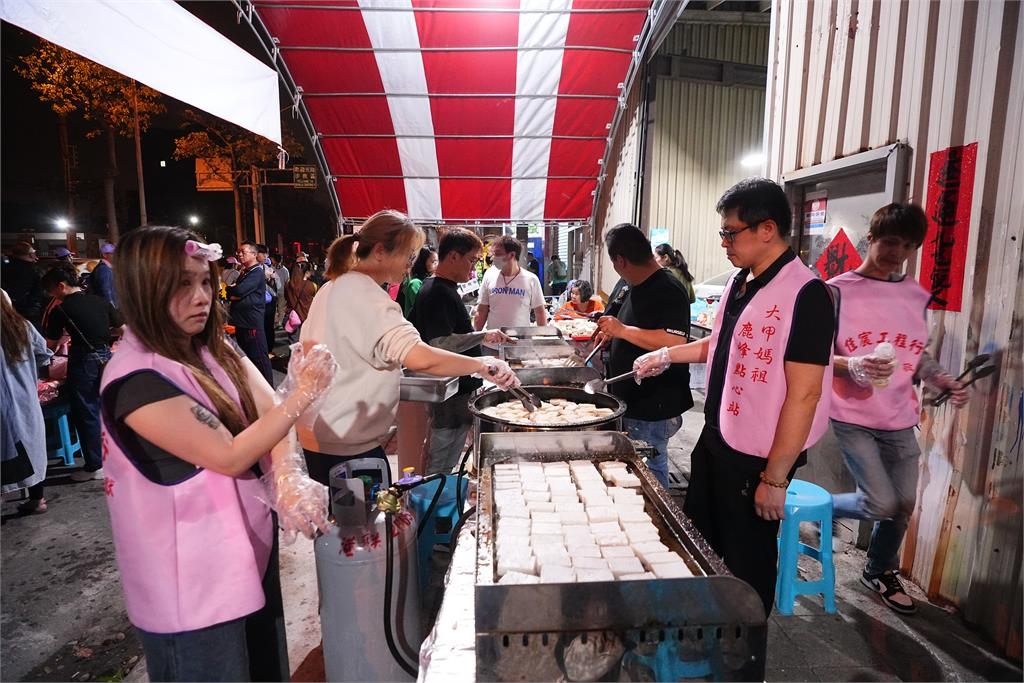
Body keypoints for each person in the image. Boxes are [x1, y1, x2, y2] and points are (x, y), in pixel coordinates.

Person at [98, 225, 337, 681]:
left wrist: (287, 477)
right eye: (181, 285)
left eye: (205, 281)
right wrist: (303, 394)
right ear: (143, 290)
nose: (201, 296)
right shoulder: (137, 378)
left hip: (243, 560)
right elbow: (229, 454)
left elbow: (269, 409)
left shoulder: (210, 345)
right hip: (190, 588)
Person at [633, 177, 836, 615]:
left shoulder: (807, 294)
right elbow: (719, 344)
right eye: (722, 232)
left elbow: (805, 394)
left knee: (747, 559)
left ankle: (744, 647)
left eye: (731, 232)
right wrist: (666, 354)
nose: (724, 241)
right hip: (720, 433)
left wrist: (775, 479)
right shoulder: (741, 282)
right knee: (705, 538)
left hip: (758, 455)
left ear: (767, 229)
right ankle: (709, 628)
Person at [298, 209, 519, 485]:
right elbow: (420, 357)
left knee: (336, 523)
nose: (410, 264)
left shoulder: (331, 288)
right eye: (407, 255)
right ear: (380, 251)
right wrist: (483, 365)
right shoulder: (369, 298)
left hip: (319, 433)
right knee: (361, 524)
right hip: (349, 442)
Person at [828, 202, 969, 615]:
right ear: (870, 238)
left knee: (903, 502)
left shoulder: (913, 294)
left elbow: (915, 353)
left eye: (907, 246)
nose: (896, 253)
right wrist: (851, 364)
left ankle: (877, 570)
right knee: (881, 504)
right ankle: (813, 507)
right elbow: (811, 354)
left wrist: (940, 375)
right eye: (890, 242)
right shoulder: (836, 290)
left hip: (899, 417)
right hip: (852, 416)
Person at [595, 225, 692, 487]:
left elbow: (675, 340)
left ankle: (658, 521)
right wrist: (611, 333)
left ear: (621, 260)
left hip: (653, 404)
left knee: (649, 466)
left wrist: (623, 330)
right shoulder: (629, 284)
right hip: (629, 399)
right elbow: (620, 323)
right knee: (632, 466)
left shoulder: (668, 288)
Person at [409, 229, 512, 474]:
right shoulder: (437, 292)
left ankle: (436, 499)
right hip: (450, 394)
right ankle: (436, 506)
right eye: (472, 260)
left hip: (455, 389)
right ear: (453, 256)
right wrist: (482, 335)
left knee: (443, 453)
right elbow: (439, 344)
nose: (474, 267)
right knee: (442, 459)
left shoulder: (441, 287)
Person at [40, 264, 124, 482]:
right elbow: (122, 329)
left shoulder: (61, 310)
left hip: (83, 362)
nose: (52, 295)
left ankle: (96, 465)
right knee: (109, 409)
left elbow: (49, 345)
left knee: (86, 412)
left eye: (52, 290)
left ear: (61, 286)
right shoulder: (101, 301)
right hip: (107, 358)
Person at [1, 291, 52, 513]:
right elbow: (43, 353)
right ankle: (37, 499)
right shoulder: (23, 326)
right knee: (32, 446)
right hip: (25, 399)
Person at [474, 235, 547, 333]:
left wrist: (543, 338)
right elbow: (482, 310)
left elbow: (539, 312)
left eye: (498, 253)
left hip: (521, 342)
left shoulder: (531, 279)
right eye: (493, 253)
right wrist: (474, 337)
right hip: (493, 343)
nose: (493, 257)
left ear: (512, 255)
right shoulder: (489, 275)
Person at [227, 241, 274, 384]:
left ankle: (270, 392)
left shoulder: (256, 272)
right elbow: (234, 292)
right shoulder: (245, 272)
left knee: (259, 358)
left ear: (254, 254)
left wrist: (231, 291)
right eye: (238, 252)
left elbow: (239, 291)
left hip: (251, 323)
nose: (240, 254)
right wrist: (232, 291)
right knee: (247, 360)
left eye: (243, 252)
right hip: (242, 323)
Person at [3, 241, 45, 328]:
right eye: (34, 253)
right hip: (29, 313)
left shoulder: (4, 268)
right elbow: (39, 291)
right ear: (30, 255)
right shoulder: (34, 270)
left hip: (7, 310)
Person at [398, 245, 437, 318]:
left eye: (437, 261)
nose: (436, 264)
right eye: (433, 261)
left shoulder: (430, 280)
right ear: (423, 262)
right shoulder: (415, 283)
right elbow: (425, 310)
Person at [283, 261, 317, 342]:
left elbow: (286, 297)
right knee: (306, 340)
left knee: (293, 341)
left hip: (292, 317)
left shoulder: (288, 284)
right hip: (306, 316)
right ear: (307, 272)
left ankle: (294, 354)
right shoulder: (312, 286)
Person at [256, 244, 280, 355]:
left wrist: (272, 280)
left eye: (267, 253)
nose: (266, 256)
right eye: (263, 253)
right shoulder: (250, 269)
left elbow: (278, 286)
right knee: (260, 327)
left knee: (268, 326)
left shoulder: (269, 269)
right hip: (258, 302)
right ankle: (262, 349)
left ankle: (269, 349)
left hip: (269, 301)